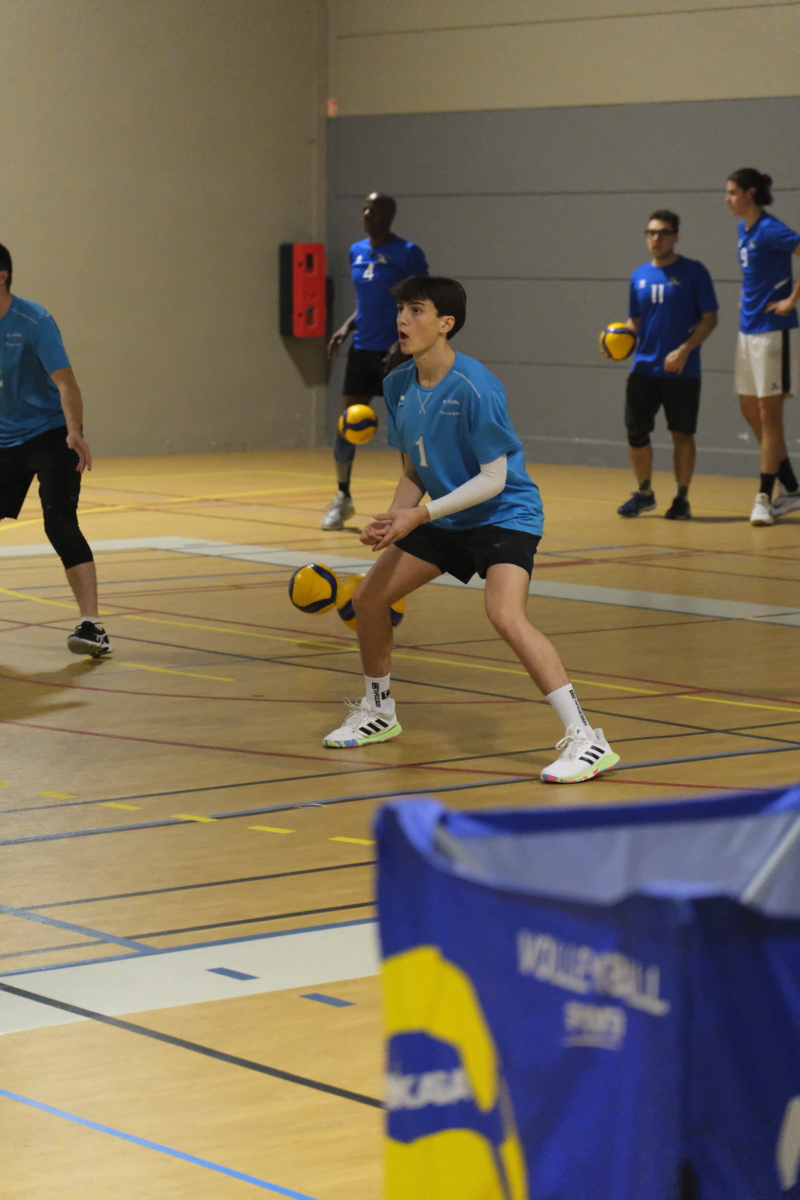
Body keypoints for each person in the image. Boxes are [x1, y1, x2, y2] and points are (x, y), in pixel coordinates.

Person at [322, 275, 620, 785]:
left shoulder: (477, 386)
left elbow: (493, 478)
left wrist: (419, 516)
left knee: (505, 614)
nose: (402, 320)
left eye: (416, 310)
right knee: (369, 599)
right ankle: (379, 711)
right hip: (446, 515)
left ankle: (587, 739)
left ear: (446, 323)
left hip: (504, 514)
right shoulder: (397, 385)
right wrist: (394, 519)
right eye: (400, 310)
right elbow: (415, 469)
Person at [0, 243, 110, 656]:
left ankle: (92, 626)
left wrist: (74, 431)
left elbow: (66, 382)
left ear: (1, 278)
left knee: (58, 520)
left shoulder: (34, 321)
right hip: (4, 437)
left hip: (51, 433)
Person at [321, 191, 428, 531]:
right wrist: (346, 327)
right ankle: (342, 496)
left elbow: (421, 303)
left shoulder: (408, 253)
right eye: (364, 209)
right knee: (345, 425)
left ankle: (407, 508)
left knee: (404, 432)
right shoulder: (356, 250)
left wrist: (402, 341)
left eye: (374, 210)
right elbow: (367, 302)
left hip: (394, 353)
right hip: (361, 350)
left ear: (389, 215)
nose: (367, 214)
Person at [614, 210, 718, 520]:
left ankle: (681, 499)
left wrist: (685, 350)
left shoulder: (694, 272)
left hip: (682, 370)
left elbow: (710, 318)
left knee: (681, 434)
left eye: (662, 233)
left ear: (675, 237)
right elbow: (635, 321)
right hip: (643, 368)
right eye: (651, 233)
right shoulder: (638, 275)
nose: (656, 238)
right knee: (635, 430)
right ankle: (644, 494)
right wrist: (618, 342)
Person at [725, 168, 800, 526]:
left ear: (750, 193)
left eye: (732, 192)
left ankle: (763, 498)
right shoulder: (744, 229)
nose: (727, 199)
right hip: (748, 331)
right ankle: (792, 487)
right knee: (749, 410)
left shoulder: (771, 229)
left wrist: (791, 300)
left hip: (773, 330)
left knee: (770, 417)